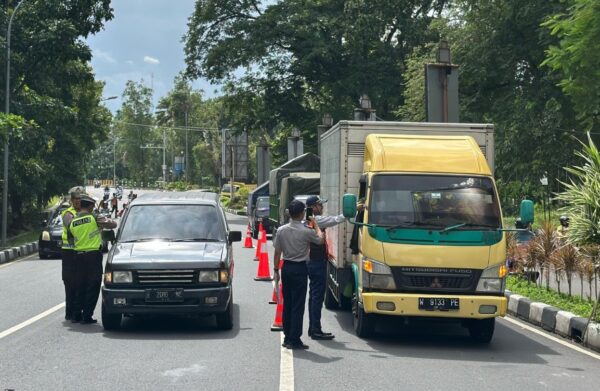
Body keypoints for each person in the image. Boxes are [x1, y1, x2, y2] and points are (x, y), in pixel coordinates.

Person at [273, 200, 324, 350]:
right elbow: (320, 240)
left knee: (287, 303)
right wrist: (315, 225)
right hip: (300, 269)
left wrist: (276, 270)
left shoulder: (281, 230)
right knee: (297, 305)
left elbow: (277, 252)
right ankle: (294, 339)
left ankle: (287, 336)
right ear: (302, 213)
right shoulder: (306, 230)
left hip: (286, 267)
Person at [305, 195, 354, 340]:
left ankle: (313, 328)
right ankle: (315, 329)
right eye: (320, 205)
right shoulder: (316, 220)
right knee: (317, 296)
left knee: (313, 296)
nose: (322, 207)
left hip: (312, 261)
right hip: (316, 262)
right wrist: (351, 212)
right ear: (314, 207)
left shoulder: (308, 220)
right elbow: (335, 220)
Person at [68, 193, 117, 324]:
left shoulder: (73, 222)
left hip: (77, 257)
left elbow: (71, 240)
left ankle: (76, 315)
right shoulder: (94, 217)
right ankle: (87, 316)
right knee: (93, 286)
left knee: (80, 286)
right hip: (92, 257)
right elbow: (113, 225)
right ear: (90, 206)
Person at [60, 187, 82, 320]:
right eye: (76, 199)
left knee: (80, 283)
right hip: (68, 252)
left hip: (80, 251)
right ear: (72, 200)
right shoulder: (68, 213)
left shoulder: (85, 212)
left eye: (80, 199)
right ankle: (70, 313)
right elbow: (70, 227)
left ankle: (77, 312)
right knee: (70, 283)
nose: (79, 202)